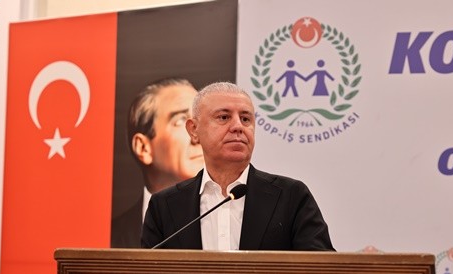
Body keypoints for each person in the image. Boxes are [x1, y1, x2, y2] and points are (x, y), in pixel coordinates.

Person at [141, 81, 334, 251]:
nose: (238, 127)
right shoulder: (164, 206)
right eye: (224, 117)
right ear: (194, 130)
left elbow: (322, 269)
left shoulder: (291, 196)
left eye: (246, 119)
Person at [111, 78, 204, 247]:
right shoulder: (107, 239)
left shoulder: (236, 224)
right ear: (143, 148)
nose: (199, 135)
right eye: (181, 121)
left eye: (202, 121)